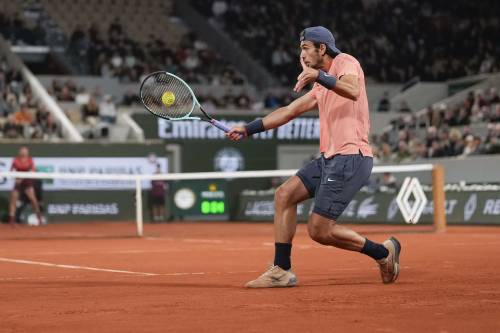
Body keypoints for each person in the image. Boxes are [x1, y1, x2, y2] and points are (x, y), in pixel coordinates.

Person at [227, 26, 401, 288]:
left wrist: (318, 75)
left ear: (322, 48)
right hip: (329, 159)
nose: (302, 54)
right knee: (284, 195)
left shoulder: (346, 62)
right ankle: (281, 270)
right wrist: (248, 129)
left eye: (306, 48)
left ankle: (383, 253)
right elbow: (289, 110)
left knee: (319, 230)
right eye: (301, 49)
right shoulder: (322, 85)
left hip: (351, 157)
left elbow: (352, 90)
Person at [8, 146, 43, 226]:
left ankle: (39, 218)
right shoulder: (15, 160)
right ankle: (12, 220)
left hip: (27, 182)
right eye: (22, 151)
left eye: (25, 151)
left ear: (27, 152)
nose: (23, 152)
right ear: (19, 152)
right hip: (18, 183)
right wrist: (16, 178)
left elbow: (33, 171)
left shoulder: (30, 160)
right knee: (13, 200)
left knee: (33, 200)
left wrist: (22, 178)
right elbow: (11, 172)